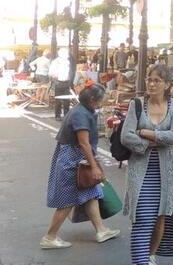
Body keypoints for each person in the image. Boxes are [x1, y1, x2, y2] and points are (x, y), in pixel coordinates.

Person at [121, 65, 173, 265]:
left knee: (161, 214)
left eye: (157, 80)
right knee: (142, 217)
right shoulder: (137, 105)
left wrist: (145, 133)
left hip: (165, 170)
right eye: (149, 79)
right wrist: (149, 143)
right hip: (140, 169)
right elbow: (125, 136)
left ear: (167, 84)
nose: (151, 84)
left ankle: (150, 256)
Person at [41, 84, 120, 249]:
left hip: (77, 158)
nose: (102, 103)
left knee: (91, 192)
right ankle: (50, 237)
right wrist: (95, 166)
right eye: (101, 100)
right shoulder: (81, 114)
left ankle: (101, 230)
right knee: (68, 199)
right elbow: (84, 143)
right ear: (92, 100)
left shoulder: (83, 110)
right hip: (72, 160)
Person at [49, 48, 73, 120]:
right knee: (58, 100)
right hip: (58, 82)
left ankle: (66, 115)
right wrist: (55, 76)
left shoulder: (68, 62)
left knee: (67, 100)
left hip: (66, 82)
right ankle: (57, 115)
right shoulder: (55, 62)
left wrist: (70, 79)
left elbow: (70, 71)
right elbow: (51, 72)